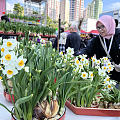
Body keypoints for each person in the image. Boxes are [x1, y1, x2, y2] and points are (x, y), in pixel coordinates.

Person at [80, 15, 120, 83]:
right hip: (103, 75)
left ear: (109, 25)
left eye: (103, 26)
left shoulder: (118, 36)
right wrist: (77, 55)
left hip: (118, 74)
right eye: (98, 27)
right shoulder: (97, 40)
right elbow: (87, 51)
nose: (100, 30)